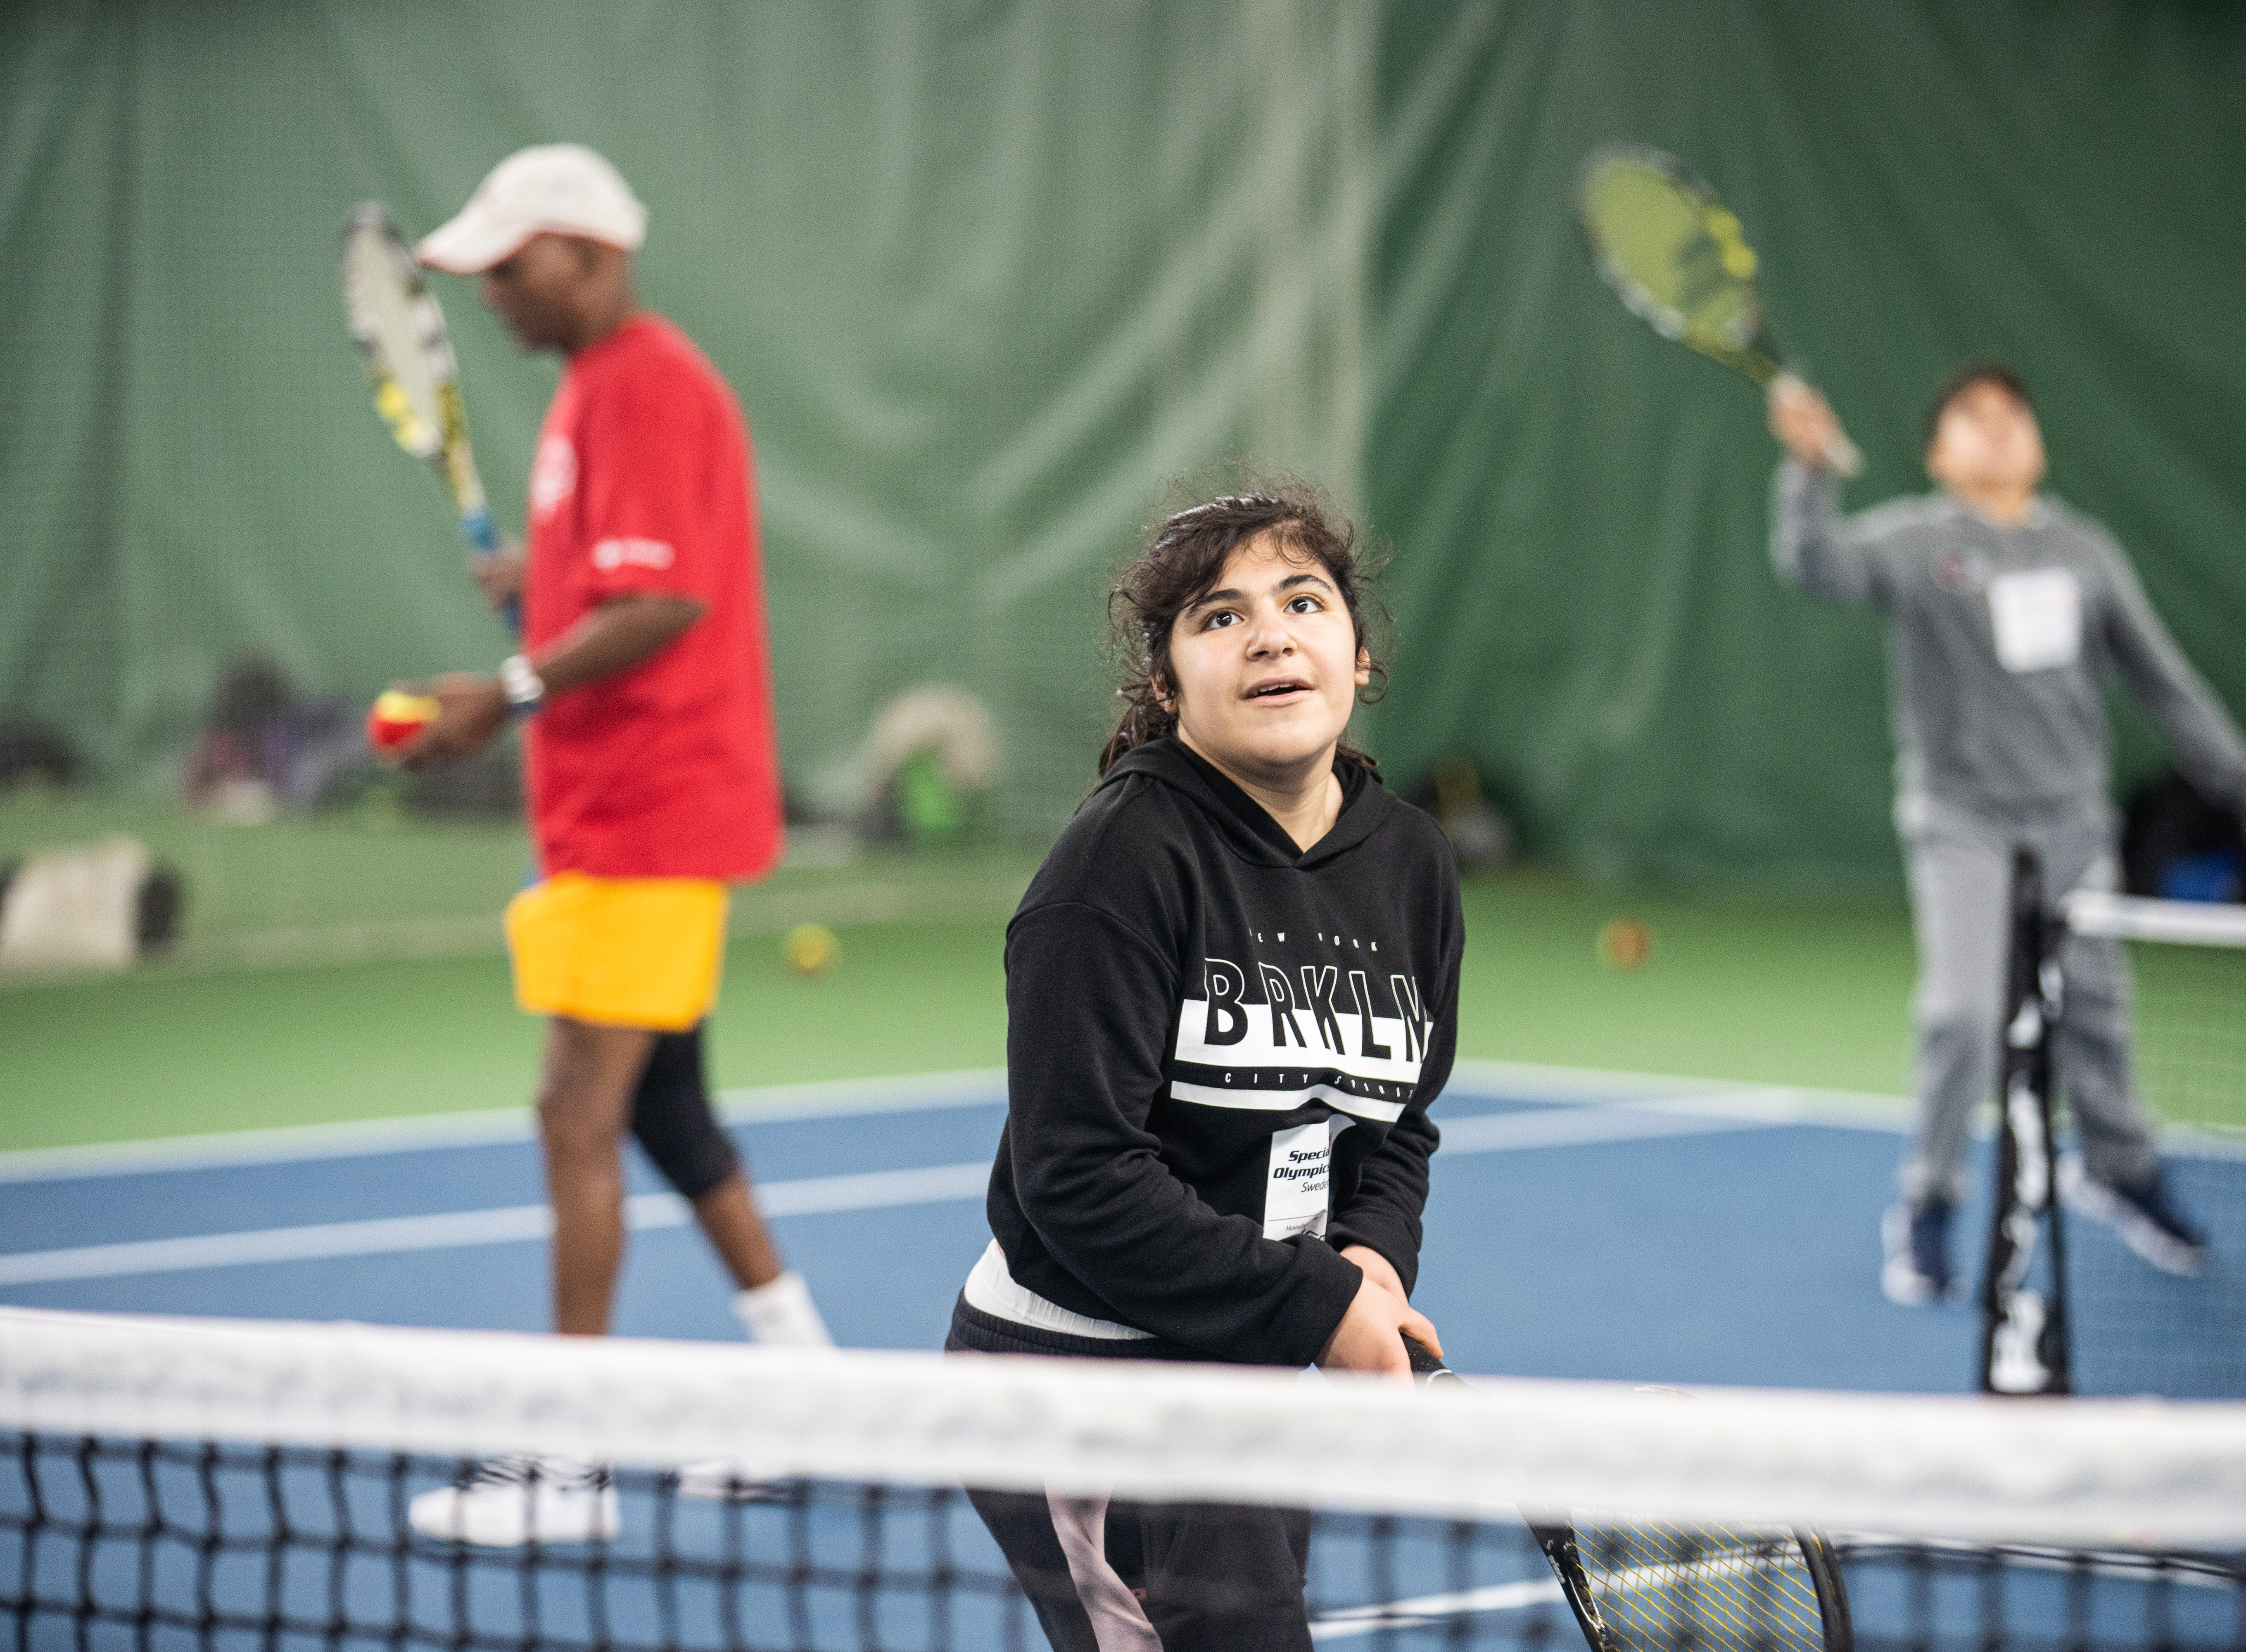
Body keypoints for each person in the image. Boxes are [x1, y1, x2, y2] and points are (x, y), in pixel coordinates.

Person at [391, 144, 829, 1542]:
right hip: (613, 813)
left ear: (586, 252)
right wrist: (545, 589)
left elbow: (672, 603)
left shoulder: (648, 386)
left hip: (648, 815)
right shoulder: (593, 390)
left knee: (571, 1114)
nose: (493, 298)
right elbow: (622, 583)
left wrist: (504, 689)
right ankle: (815, 1391)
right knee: (663, 1114)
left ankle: (565, 1467)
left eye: (509, 270)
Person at [949, 489, 1461, 1652]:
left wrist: (1371, 1258)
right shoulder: (1118, 866)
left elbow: (1396, 1128)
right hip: (1081, 1377)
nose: (1272, 634)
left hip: (1243, 1355)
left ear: (1360, 653)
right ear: (1169, 684)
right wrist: (1321, 1304)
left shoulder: (1415, 866)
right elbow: (1076, 1178)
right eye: (1219, 618)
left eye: (1303, 601)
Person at [1768, 362, 2246, 1306]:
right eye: (1973, 419)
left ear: (2038, 441)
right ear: (1940, 452)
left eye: (2013, 415)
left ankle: (2122, 1170)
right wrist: (1810, 472)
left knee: (2098, 1012)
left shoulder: (2085, 551)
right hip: (1962, 824)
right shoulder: (1912, 540)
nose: (1998, 430)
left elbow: (2164, 679)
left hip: (2072, 826)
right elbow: (1816, 566)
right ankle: (1930, 1201)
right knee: (1962, 1016)